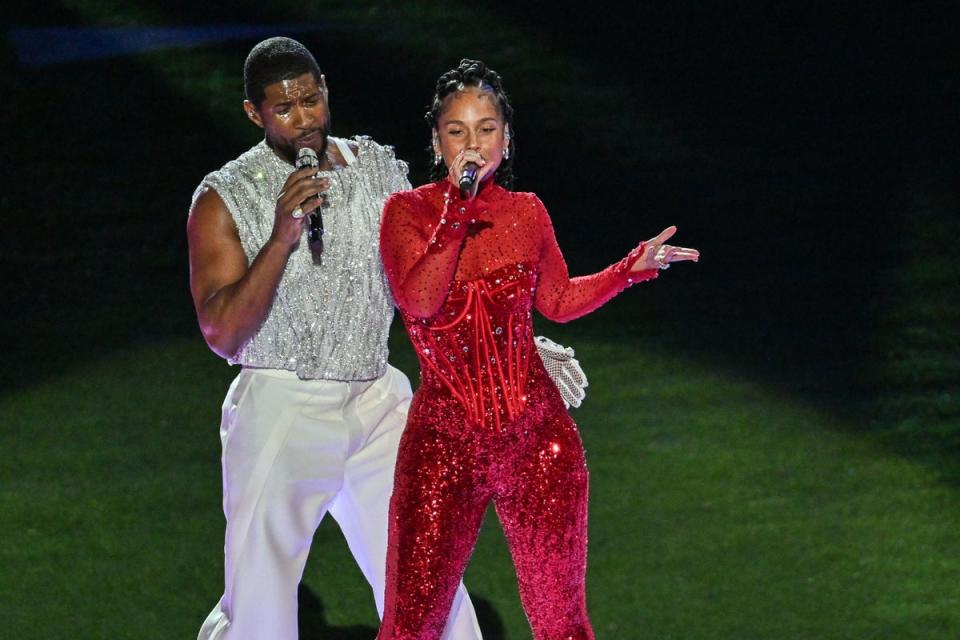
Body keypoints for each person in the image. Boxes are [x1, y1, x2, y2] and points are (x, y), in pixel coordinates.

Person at [376, 59, 699, 640]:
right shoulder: (408, 213)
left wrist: (629, 269)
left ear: (506, 137)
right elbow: (420, 302)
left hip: (536, 439)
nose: (472, 143)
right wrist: (457, 208)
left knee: (561, 622)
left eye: (485, 128)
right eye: (457, 130)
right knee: (411, 624)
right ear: (435, 139)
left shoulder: (527, 213)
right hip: (443, 443)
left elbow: (556, 299)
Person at [186, 37, 482, 640]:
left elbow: (425, 278)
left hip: (378, 401)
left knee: (430, 579)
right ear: (254, 114)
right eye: (284, 108)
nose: (303, 119)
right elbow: (220, 332)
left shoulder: (375, 168)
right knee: (261, 604)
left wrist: (506, 344)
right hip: (283, 406)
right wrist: (281, 237)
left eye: (311, 99)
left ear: (325, 90)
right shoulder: (224, 197)